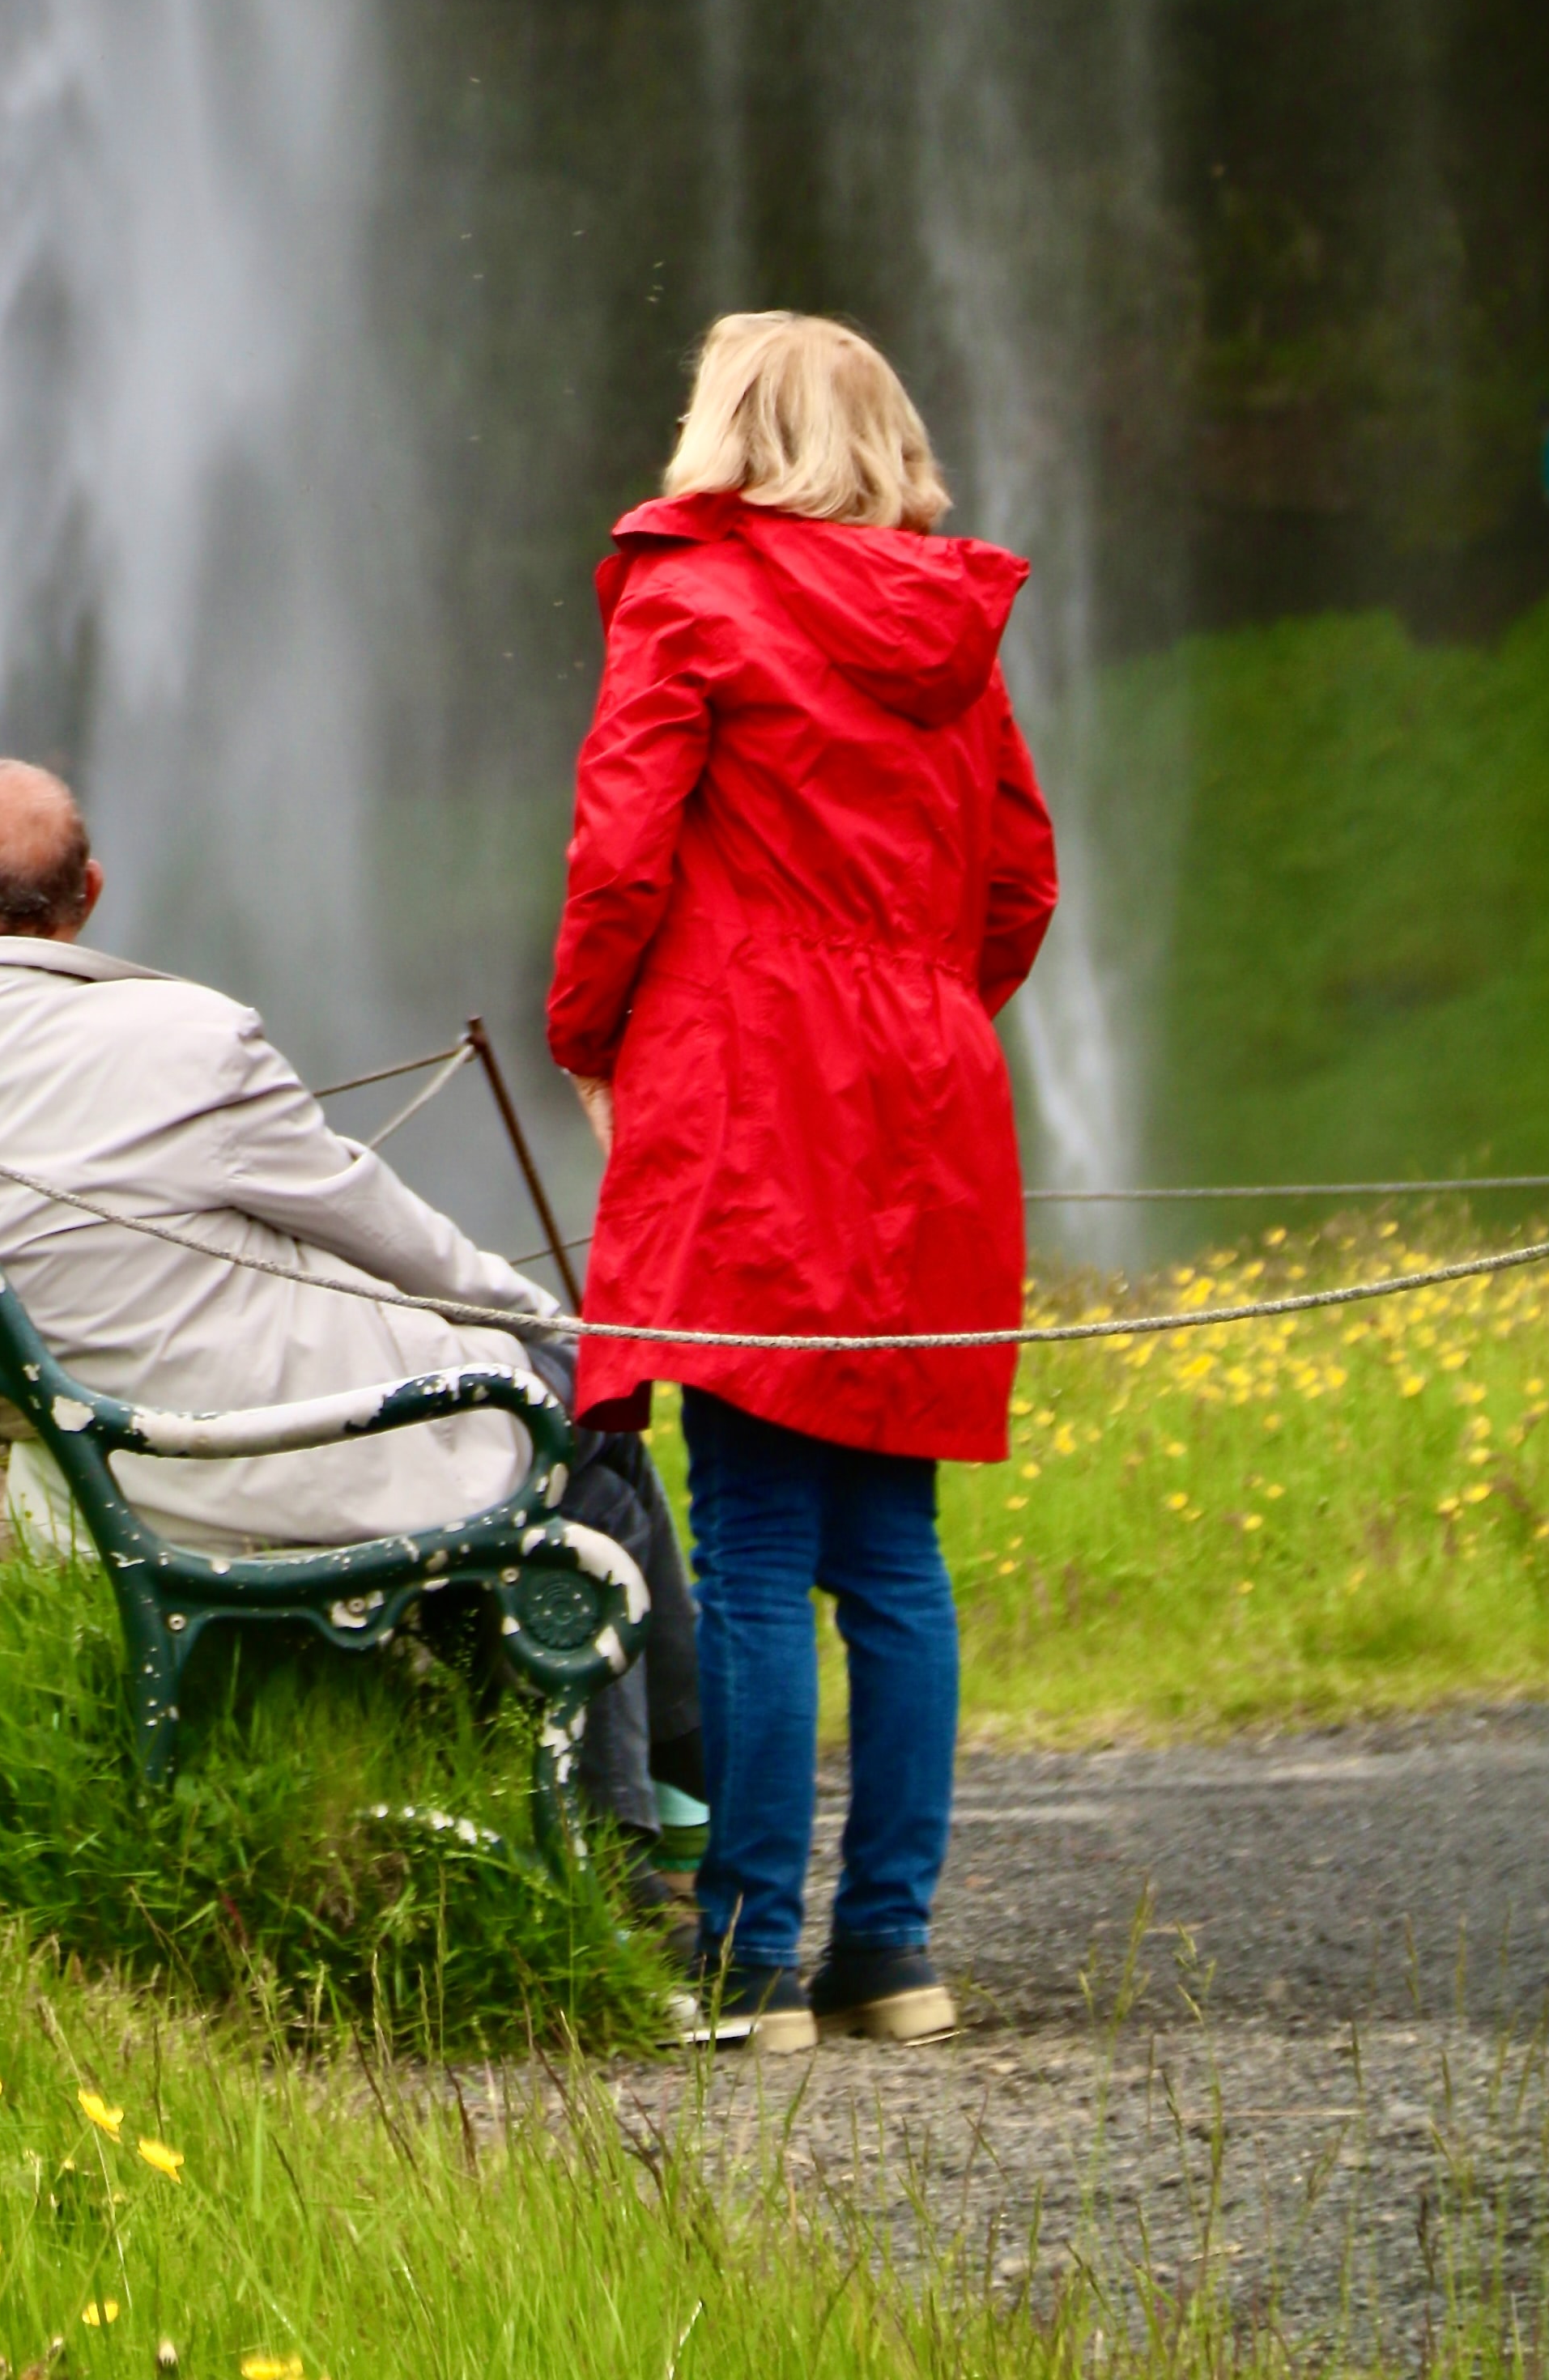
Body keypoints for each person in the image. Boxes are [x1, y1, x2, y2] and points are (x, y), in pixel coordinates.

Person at [0, 756, 704, 1873]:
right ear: (91, 895)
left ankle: (608, 1783)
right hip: (298, 1459)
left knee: (540, 1417)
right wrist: (550, 1327)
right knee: (581, 1413)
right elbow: (381, 1226)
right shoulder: (196, 1037)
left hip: (106, 1493)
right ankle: (640, 1829)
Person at [546, 310, 1059, 2054]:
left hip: (750, 1078)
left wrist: (593, 1036)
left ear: (727, 424)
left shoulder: (690, 592)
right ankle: (889, 1954)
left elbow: (620, 851)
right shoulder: (950, 624)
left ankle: (749, 1959)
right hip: (924, 1090)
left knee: (754, 1534)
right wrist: (912, 1012)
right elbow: (1021, 884)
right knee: (891, 1551)